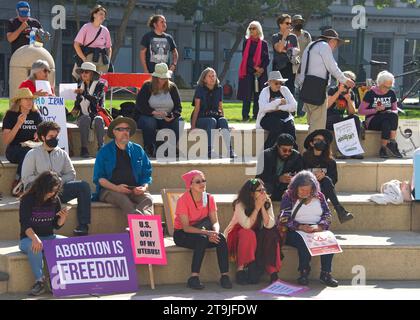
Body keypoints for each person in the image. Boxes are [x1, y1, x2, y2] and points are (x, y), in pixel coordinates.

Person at [21, 121, 91, 236]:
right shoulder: (32, 154)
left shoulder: (62, 153)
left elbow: (71, 174)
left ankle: (83, 225)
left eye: (56, 136)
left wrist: (58, 181)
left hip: (58, 191)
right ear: (43, 137)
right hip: (39, 194)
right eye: (51, 136)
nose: (55, 139)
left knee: (83, 186)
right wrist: (45, 182)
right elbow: (26, 178)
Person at [173, 170, 232, 290]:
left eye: (203, 180)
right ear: (190, 185)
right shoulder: (183, 200)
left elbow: (214, 221)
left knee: (221, 238)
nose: (202, 184)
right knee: (202, 239)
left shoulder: (209, 198)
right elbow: (186, 227)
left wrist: (214, 232)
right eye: (198, 181)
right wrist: (207, 232)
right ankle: (194, 278)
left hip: (204, 231)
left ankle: (224, 276)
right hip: (183, 234)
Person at [278, 170, 339, 287]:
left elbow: (327, 214)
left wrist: (320, 226)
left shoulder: (319, 196)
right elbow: (283, 218)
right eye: (302, 190)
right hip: (294, 230)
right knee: (304, 242)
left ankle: (326, 273)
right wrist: (299, 226)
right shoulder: (288, 196)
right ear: (296, 187)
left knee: (329, 239)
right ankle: (304, 272)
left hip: (316, 228)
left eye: (308, 190)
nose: (305, 193)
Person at [93, 117, 154, 220]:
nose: (125, 132)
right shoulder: (104, 151)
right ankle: (141, 225)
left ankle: (146, 224)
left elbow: (146, 173)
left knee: (148, 199)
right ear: (114, 132)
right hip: (110, 190)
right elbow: (99, 178)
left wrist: (144, 187)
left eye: (127, 129)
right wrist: (117, 188)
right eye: (121, 129)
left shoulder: (138, 149)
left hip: (134, 189)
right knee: (124, 200)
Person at [19, 171, 68, 296]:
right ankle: (40, 281)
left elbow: (55, 226)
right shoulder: (27, 199)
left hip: (49, 237)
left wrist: (62, 218)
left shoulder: (54, 199)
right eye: (51, 190)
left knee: (67, 243)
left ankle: (56, 281)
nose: (53, 193)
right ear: (43, 187)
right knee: (35, 246)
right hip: (28, 238)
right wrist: (35, 238)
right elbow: (25, 225)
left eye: (55, 191)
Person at [297, 29, 355, 134]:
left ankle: (310, 147)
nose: (335, 48)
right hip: (317, 88)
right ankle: (314, 148)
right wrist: (345, 80)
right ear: (332, 40)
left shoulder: (310, 46)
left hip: (306, 87)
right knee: (318, 124)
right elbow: (332, 66)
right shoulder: (324, 46)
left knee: (311, 122)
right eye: (336, 44)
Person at [225, 178, 281, 285]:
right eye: (259, 190)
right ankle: (240, 270)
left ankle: (273, 272)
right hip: (239, 234)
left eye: (264, 189)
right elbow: (246, 225)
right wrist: (256, 208)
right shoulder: (240, 204)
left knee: (271, 234)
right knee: (248, 233)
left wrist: (263, 208)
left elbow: (269, 225)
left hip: (257, 234)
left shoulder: (267, 201)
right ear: (251, 193)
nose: (263, 192)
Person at [303, 129, 354, 223]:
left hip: (322, 191)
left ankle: (340, 211)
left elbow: (334, 180)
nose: (320, 142)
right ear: (311, 143)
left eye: (323, 141)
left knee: (326, 180)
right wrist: (311, 176)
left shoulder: (330, 161)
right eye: (317, 140)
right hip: (306, 190)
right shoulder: (304, 158)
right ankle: (340, 210)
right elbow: (298, 175)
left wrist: (323, 176)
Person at [135, 63, 184, 158]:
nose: (164, 80)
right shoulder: (147, 86)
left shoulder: (172, 88)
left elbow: (178, 107)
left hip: (166, 118)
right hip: (149, 116)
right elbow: (140, 105)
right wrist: (153, 112)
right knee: (150, 122)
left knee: (179, 121)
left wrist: (171, 115)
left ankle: (170, 147)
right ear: (155, 77)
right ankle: (149, 147)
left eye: (165, 78)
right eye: (161, 78)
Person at [2, 88, 42, 196]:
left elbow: (43, 132)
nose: (30, 101)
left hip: (32, 148)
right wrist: (18, 124)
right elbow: (6, 140)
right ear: (19, 101)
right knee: (28, 153)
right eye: (26, 99)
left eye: (31, 99)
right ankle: (17, 183)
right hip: (14, 150)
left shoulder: (35, 115)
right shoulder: (11, 115)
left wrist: (39, 133)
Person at [191, 68, 235, 159]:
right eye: (210, 76)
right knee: (212, 121)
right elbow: (197, 108)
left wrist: (225, 123)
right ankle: (210, 151)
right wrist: (193, 126)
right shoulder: (200, 89)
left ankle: (230, 151)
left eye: (214, 76)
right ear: (204, 79)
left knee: (222, 120)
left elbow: (220, 107)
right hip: (201, 117)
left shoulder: (219, 88)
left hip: (214, 115)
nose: (212, 78)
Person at [358, 71, 402, 158]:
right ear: (379, 83)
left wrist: (389, 112)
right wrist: (375, 110)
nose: (387, 89)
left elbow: (395, 109)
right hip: (372, 120)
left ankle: (383, 148)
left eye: (389, 87)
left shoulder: (391, 93)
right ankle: (392, 143)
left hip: (387, 119)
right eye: (385, 87)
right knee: (390, 116)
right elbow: (360, 111)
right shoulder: (370, 93)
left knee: (388, 121)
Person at [71, 62, 106, 158]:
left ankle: (101, 148)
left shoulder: (99, 86)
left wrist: (84, 93)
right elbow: (78, 105)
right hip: (84, 116)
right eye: (81, 72)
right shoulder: (80, 86)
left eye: (86, 72)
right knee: (85, 118)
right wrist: (74, 109)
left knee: (99, 120)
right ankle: (84, 148)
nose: (83, 74)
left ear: (92, 74)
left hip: (96, 115)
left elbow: (96, 101)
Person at [326, 71, 363, 159]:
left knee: (355, 118)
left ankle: (354, 149)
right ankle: (341, 151)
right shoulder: (332, 90)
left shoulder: (351, 93)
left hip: (340, 120)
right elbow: (327, 106)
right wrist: (338, 92)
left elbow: (352, 112)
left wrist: (349, 100)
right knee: (338, 118)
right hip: (328, 119)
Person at [237, 21, 269, 122]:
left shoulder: (264, 44)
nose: (251, 30)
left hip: (261, 73)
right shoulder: (246, 42)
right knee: (247, 94)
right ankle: (245, 115)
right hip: (248, 71)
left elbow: (266, 58)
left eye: (253, 28)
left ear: (258, 30)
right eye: (250, 28)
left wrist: (261, 69)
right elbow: (246, 58)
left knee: (258, 95)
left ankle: (256, 115)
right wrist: (255, 68)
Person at [256, 71, 297, 150]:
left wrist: (278, 107)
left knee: (290, 128)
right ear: (270, 83)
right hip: (268, 118)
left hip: (286, 117)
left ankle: (293, 154)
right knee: (277, 127)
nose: (279, 85)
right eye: (276, 83)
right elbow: (263, 108)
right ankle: (266, 152)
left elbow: (294, 106)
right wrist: (279, 102)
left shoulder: (285, 90)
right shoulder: (264, 92)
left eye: (280, 83)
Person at [257, 134, 303, 201]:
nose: (287, 153)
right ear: (278, 147)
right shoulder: (266, 155)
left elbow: (300, 174)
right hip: (270, 185)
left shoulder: (296, 156)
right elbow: (259, 177)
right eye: (284, 150)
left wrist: (293, 178)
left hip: (286, 187)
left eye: (290, 150)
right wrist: (279, 178)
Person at [73, 5, 112, 80]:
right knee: (87, 81)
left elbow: (109, 47)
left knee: (101, 82)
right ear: (94, 14)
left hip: (103, 61)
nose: (103, 17)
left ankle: (100, 92)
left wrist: (108, 60)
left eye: (104, 15)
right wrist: (84, 59)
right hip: (89, 58)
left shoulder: (105, 30)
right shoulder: (86, 27)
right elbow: (76, 44)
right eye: (101, 14)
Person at [272, 14, 299, 95]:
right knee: (277, 92)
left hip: (290, 67)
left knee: (290, 92)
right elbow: (279, 49)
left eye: (290, 23)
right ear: (280, 24)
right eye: (287, 23)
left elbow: (296, 50)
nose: (289, 25)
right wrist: (284, 36)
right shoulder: (275, 36)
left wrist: (287, 50)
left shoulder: (293, 37)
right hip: (278, 67)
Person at [291, 14, 312, 117]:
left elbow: (310, 51)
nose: (299, 23)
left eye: (300, 22)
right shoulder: (289, 34)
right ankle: (291, 111)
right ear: (293, 23)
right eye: (297, 21)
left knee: (302, 91)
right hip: (291, 66)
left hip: (304, 67)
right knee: (292, 91)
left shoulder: (306, 35)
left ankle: (301, 113)